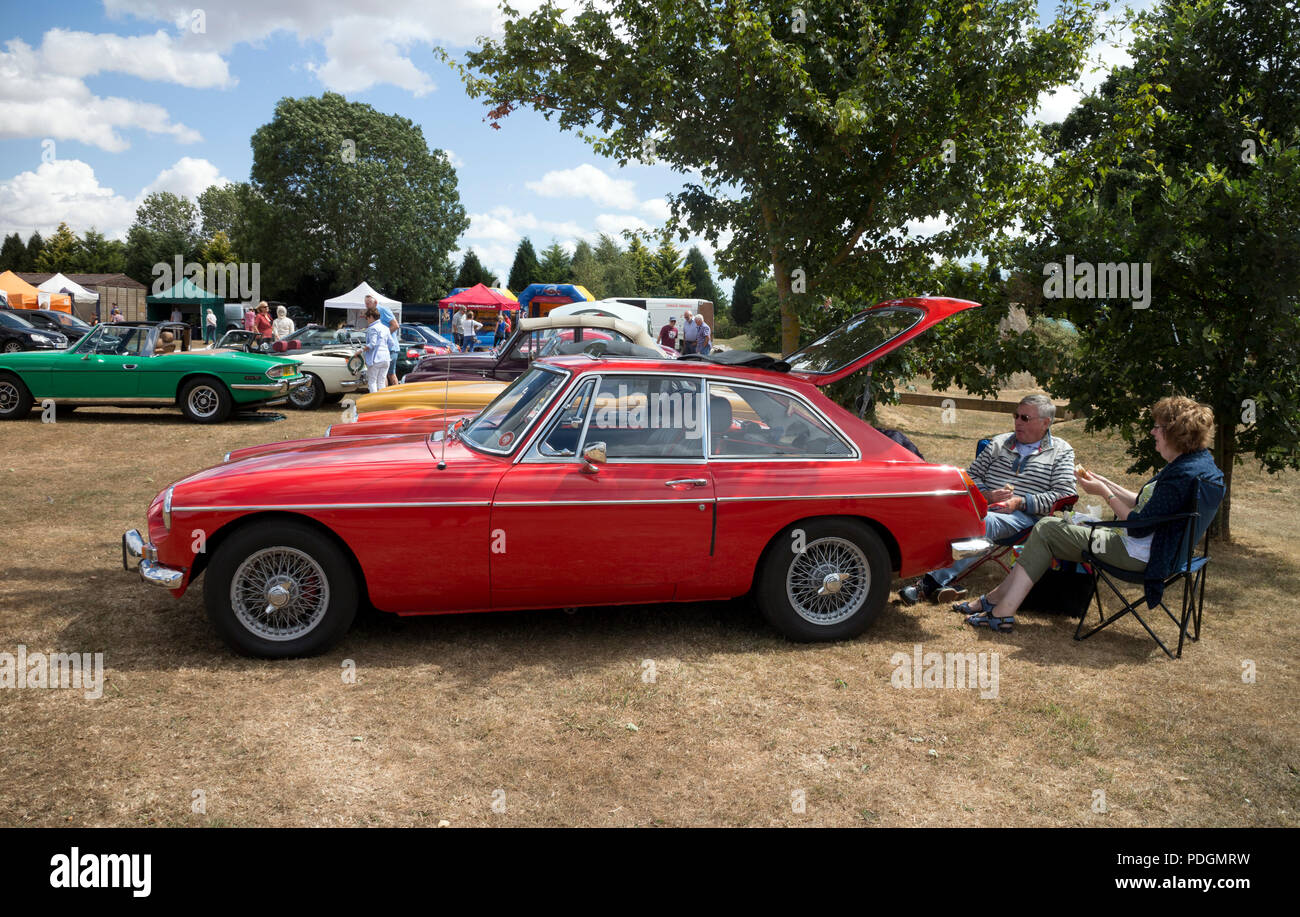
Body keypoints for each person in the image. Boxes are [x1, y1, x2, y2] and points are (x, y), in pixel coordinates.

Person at [956, 396, 1222, 633]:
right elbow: (1144, 504)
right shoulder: (1195, 465)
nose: (1152, 431)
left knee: (1048, 528)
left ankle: (1001, 611)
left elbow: (1138, 525)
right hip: (1156, 550)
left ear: (1174, 433)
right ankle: (993, 602)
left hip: (1138, 553)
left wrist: (1105, 494)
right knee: (1050, 526)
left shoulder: (1181, 475)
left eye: (1158, 427)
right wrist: (1104, 483)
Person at [900, 395, 1076, 605]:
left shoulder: (1060, 451)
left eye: (1025, 418)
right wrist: (987, 495)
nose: (1017, 421)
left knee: (983, 522)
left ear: (1046, 422)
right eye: (1016, 415)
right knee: (937, 509)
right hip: (983, 505)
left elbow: (1065, 494)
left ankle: (928, 584)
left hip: (1024, 516)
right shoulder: (999, 442)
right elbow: (971, 476)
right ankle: (911, 567)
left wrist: (1021, 502)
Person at [365, 294, 401, 385]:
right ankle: (389, 396)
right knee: (387, 374)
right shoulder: (373, 314)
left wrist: (382, 337)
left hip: (390, 348)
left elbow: (396, 325)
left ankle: (393, 396)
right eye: (366, 303)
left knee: (387, 374)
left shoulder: (383, 310)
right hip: (384, 348)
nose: (367, 305)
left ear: (375, 302)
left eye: (369, 303)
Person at [360, 304, 393, 392]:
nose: (367, 320)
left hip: (375, 359)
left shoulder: (372, 328)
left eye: (366, 318)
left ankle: (374, 402)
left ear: (371, 317)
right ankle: (382, 402)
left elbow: (372, 344)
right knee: (381, 381)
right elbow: (391, 343)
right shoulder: (386, 328)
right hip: (386, 358)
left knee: (372, 381)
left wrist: (360, 350)